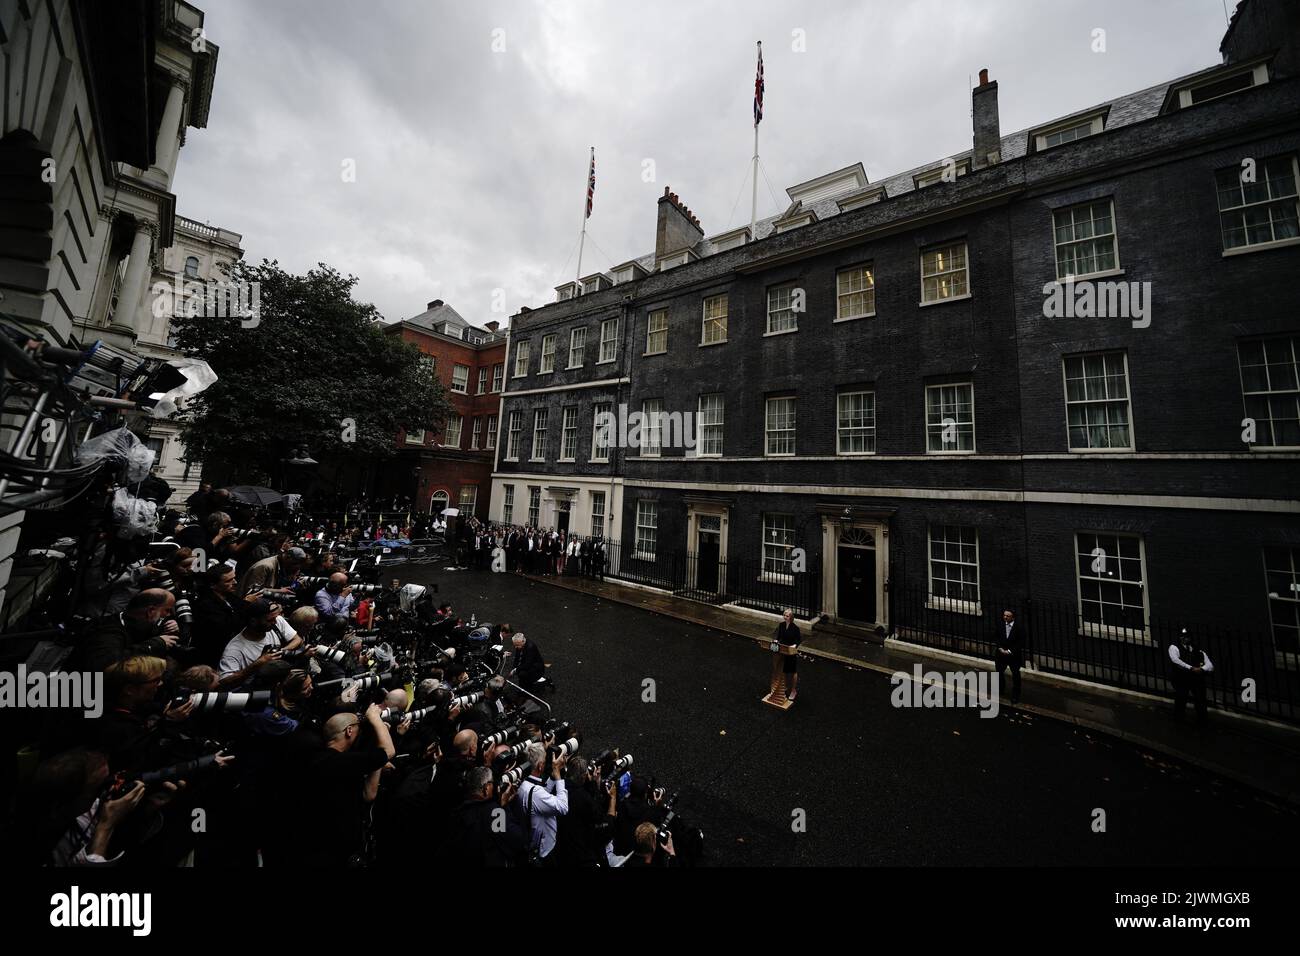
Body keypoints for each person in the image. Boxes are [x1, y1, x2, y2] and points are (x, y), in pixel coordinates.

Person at [299, 704, 395, 867]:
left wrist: (376, 763)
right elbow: (389, 751)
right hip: (333, 846)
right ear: (349, 731)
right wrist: (375, 719)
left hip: (312, 839)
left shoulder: (318, 758)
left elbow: (369, 794)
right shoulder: (344, 762)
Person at [78, 589, 179, 672]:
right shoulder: (106, 632)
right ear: (151, 611)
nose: (169, 615)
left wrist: (171, 626)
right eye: (167, 610)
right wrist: (153, 645)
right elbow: (105, 666)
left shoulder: (141, 622)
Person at [444, 766, 525, 867]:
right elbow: (518, 841)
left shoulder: (458, 811)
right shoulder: (494, 813)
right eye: (492, 783)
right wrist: (504, 807)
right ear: (486, 788)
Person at [516, 741, 567, 864]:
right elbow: (563, 807)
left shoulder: (524, 784)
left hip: (534, 845)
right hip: (545, 853)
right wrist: (558, 775)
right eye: (544, 761)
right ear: (540, 766)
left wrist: (553, 776)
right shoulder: (536, 792)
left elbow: (541, 796)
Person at [1169, 628, 1214, 725]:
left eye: (1186, 636)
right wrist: (1191, 668)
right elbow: (1176, 661)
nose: (1184, 638)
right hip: (1182, 678)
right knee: (1181, 699)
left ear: (1190, 637)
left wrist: (1201, 669)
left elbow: (1210, 665)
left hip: (1195, 679)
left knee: (1200, 700)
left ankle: (1202, 721)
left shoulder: (1197, 649)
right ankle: (1179, 720)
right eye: (1182, 636)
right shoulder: (1174, 647)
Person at [994, 609, 1025, 705]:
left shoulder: (1019, 627)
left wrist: (1010, 651)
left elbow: (1021, 642)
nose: (1005, 617)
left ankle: (1015, 695)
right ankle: (1000, 690)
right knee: (999, 673)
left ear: (1013, 617)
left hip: (1013, 656)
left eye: (1008, 616)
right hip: (1001, 654)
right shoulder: (1000, 624)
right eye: (1004, 615)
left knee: (1015, 675)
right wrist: (1000, 648)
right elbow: (996, 637)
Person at [775, 608, 801, 702]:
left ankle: (793, 690)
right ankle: (785, 687)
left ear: (791, 617)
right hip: (783, 650)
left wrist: (795, 645)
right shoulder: (781, 625)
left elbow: (798, 640)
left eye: (787, 616)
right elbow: (778, 636)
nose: (785, 617)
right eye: (784, 615)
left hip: (791, 651)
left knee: (793, 671)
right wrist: (776, 641)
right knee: (784, 670)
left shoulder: (795, 628)